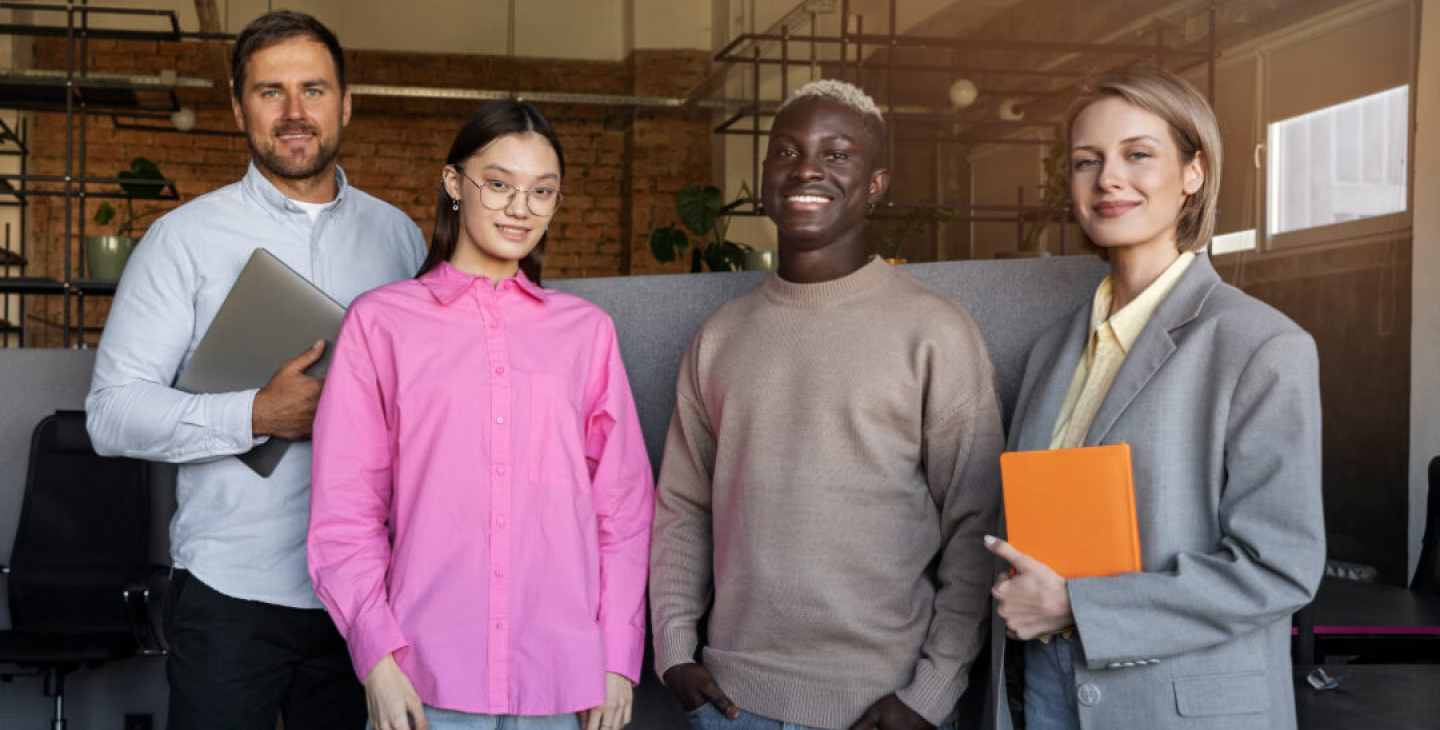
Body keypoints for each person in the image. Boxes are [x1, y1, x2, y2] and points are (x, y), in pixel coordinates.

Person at [85, 10, 425, 730]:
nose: (296, 112)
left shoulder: (400, 237)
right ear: (239, 107)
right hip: (229, 593)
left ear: (346, 102)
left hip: (365, 597)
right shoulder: (182, 240)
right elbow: (111, 413)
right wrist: (255, 417)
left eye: (314, 89)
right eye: (271, 92)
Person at [649, 79, 1004, 730]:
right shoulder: (720, 338)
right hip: (733, 705)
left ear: (875, 185)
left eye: (837, 154)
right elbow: (682, 508)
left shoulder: (935, 332)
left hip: (884, 709)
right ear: (764, 178)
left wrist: (932, 694)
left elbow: (977, 532)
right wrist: (673, 649)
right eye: (786, 152)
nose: (807, 167)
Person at [986, 66, 1325, 730]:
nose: (1109, 178)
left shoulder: (1260, 345)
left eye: (1138, 154)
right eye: (1088, 161)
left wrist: (1075, 607)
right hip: (1048, 695)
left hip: (1179, 709)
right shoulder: (1053, 349)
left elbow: (1280, 567)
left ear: (1193, 172)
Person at [307, 100, 654, 730]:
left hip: (562, 678)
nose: (520, 208)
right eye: (498, 184)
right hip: (425, 677)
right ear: (453, 184)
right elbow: (344, 511)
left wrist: (616, 658)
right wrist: (377, 659)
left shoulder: (585, 334)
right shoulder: (381, 323)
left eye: (541, 192)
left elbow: (623, 510)